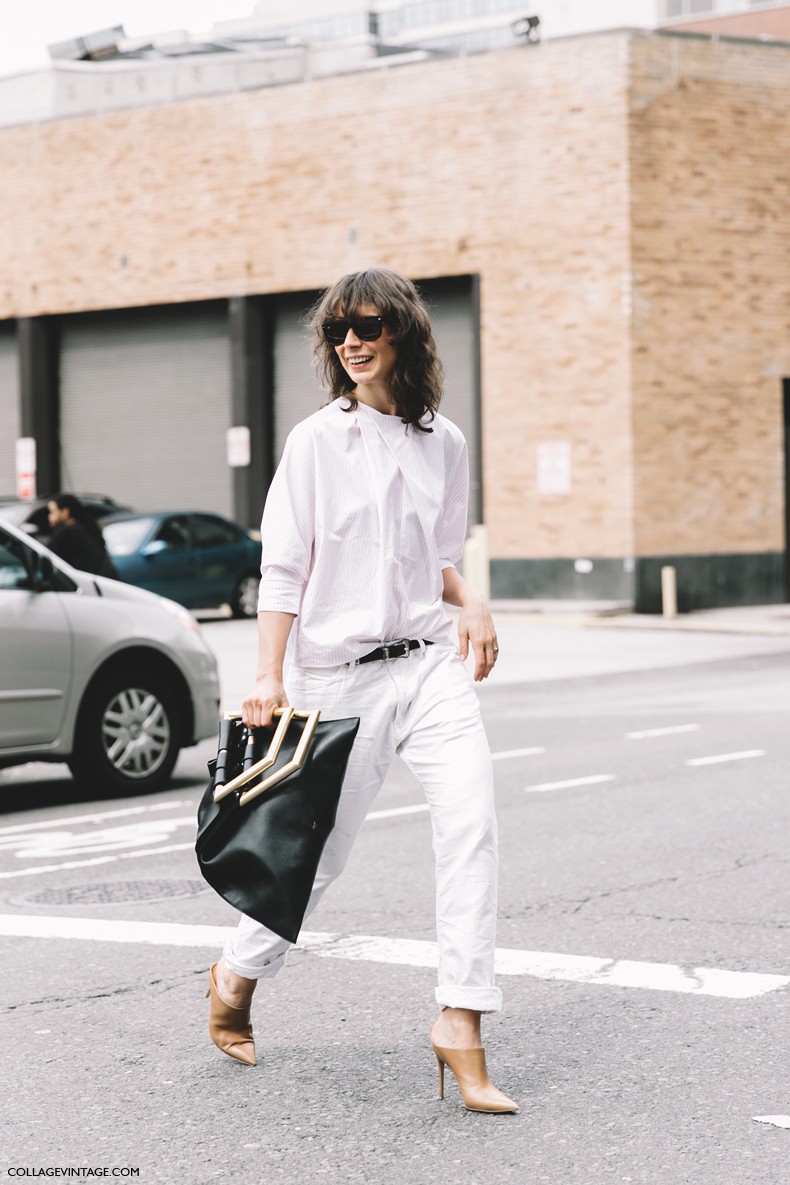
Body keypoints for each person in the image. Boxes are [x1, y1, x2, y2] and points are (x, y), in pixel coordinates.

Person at [204, 267, 517, 1114]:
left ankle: (461, 1020)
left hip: (428, 665)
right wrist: (267, 673)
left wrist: (474, 601)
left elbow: (436, 560)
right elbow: (283, 567)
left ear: (402, 333)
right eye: (340, 326)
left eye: (369, 323)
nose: (352, 338)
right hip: (334, 676)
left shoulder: (442, 443)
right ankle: (236, 972)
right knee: (317, 857)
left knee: (472, 826)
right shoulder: (316, 441)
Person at [46, 493, 118, 578]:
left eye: (52, 512)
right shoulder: (88, 528)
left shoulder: (66, 533)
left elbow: (48, 560)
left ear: (65, 512)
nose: (49, 516)